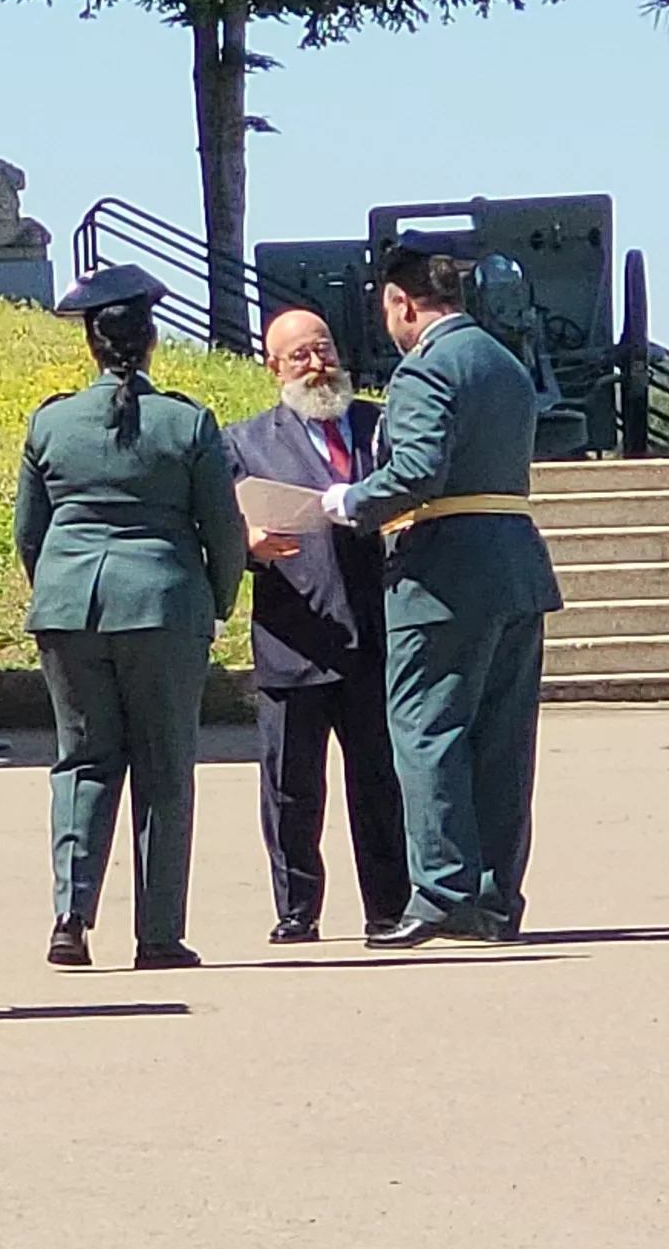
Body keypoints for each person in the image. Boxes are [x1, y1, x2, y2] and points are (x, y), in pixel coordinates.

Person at [318, 234, 564, 947]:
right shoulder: (503, 362)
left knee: (427, 730)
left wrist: (351, 500)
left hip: (442, 570)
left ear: (401, 302)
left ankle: (443, 889)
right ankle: (494, 896)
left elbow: (419, 468)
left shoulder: (426, 369)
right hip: (514, 565)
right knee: (503, 743)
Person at [16, 263, 245, 973]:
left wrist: (57, 588)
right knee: (165, 767)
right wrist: (216, 597)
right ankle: (158, 932)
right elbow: (224, 529)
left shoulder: (50, 421)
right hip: (163, 603)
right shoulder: (187, 421)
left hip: (68, 606)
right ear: (150, 341)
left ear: (91, 344)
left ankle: (70, 914)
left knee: (82, 759)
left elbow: (30, 531)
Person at [225, 307, 411, 944]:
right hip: (293, 635)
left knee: (380, 782)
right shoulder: (244, 443)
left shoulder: (378, 425)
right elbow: (221, 529)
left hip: (373, 631)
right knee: (291, 789)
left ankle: (389, 907)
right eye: (300, 355)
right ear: (273, 366)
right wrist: (247, 542)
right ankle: (296, 910)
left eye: (324, 349)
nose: (317, 364)